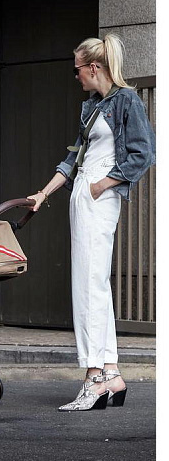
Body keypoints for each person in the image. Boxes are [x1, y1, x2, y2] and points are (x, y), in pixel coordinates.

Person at [27, 34, 154, 411]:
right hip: (83, 195)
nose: (76, 76)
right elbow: (73, 158)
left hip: (98, 197)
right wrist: (43, 193)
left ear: (94, 67)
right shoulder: (93, 107)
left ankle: (93, 377)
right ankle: (111, 373)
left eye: (77, 69)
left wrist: (102, 184)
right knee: (93, 285)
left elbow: (143, 153)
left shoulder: (126, 100)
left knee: (87, 287)